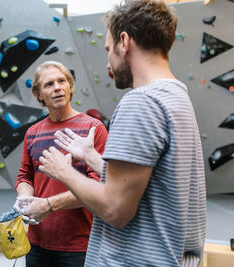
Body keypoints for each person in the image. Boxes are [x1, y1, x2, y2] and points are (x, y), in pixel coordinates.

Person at [39, 1, 206, 266]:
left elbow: (115, 209)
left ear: (124, 42)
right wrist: (92, 157)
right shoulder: (176, 95)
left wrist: (62, 170)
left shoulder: (141, 102)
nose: (109, 60)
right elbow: (154, 182)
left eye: (108, 49)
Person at [13, 61, 108, 267]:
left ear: (70, 86)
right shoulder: (33, 132)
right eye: (49, 84)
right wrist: (24, 198)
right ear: (39, 94)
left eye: (62, 81)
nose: (57, 87)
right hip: (38, 243)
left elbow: (99, 186)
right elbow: (25, 176)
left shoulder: (93, 128)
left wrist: (47, 206)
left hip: (80, 244)